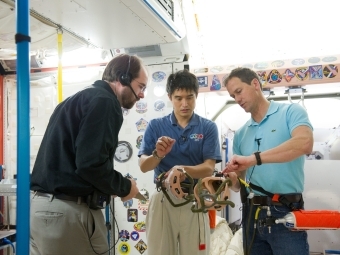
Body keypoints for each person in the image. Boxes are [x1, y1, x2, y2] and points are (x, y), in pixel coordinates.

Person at [30, 54, 148, 255]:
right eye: (141, 86)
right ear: (123, 78)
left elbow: (76, 161)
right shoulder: (106, 102)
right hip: (68, 212)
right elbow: (90, 164)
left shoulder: (74, 100)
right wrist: (124, 186)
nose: (142, 95)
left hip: (39, 209)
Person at [222, 67, 313, 255]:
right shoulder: (240, 134)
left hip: (285, 212)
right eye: (233, 95)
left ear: (255, 84)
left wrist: (254, 159)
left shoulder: (290, 112)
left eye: (239, 91)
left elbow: (305, 143)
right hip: (251, 217)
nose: (237, 99)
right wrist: (229, 177)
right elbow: (238, 185)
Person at [138, 69, 222, 255]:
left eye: (189, 97)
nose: (184, 103)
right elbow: (144, 166)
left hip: (194, 198)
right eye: (178, 98)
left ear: (196, 96)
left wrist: (179, 169)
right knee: (160, 251)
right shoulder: (155, 126)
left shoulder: (207, 127)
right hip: (163, 199)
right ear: (170, 97)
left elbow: (209, 168)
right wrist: (158, 155)